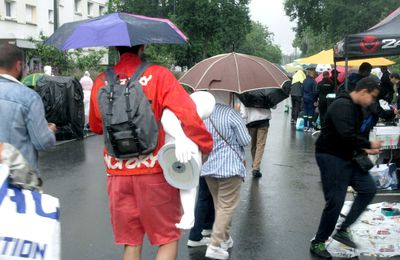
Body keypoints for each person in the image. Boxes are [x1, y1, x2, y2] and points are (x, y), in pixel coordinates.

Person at [89, 45, 213, 260]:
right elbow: (188, 115)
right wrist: (204, 146)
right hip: (155, 173)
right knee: (166, 238)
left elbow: (96, 125)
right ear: (143, 47)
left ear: (115, 48)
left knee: (131, 242)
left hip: (117, 173)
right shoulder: (160, 75)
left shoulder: (101, 80)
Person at [310, 77, 382, 259]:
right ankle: (318, 241)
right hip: (331, 157)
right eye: (372, 97)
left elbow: (350, 136)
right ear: (364, 92)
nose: (371, 102)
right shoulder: (342, 106)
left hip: (348, 156)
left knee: (368, 189)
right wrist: (368, 143)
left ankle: (343, 229)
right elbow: (346, 134)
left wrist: (363, 147)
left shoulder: (357, 107)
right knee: (335, 201)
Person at [201, 91, 251, 260]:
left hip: (208, 166)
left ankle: (225, 238)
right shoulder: (231, 114)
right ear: (229, 95)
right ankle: (215, 245)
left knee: (220, 205)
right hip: (230, 167)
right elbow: (245, 140)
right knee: (227, 206)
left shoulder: (202, 114)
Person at [0, 43, 57, 174]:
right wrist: (50, 130)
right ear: (18, 65)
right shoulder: (29, 97)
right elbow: (42, 143)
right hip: (19, 181)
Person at [240, 104, 272, 178]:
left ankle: (255, 165)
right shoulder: (266, 93)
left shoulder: (247, 93)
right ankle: (256, 167)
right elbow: (274, 106)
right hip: (264, 121)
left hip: (251, 121)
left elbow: (244, 114)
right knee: (260, 145)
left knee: (253, 144)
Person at [302, 67, 317, 132]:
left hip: (304, 98)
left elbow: (302, 90)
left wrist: (303, 97)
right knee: (311, 113)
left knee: (305, 112)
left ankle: (305, 127)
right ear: (312, 73)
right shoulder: (314, 81)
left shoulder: (304, 80)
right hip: (311, 99)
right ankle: (310, 127)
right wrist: (315, 100)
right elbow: (315, 92)